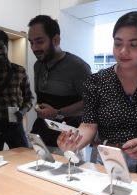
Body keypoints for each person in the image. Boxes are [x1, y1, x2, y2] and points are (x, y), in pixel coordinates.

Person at [57, 11, 137, 177]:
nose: (123, 51)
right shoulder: (98, 81)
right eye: (118, 43)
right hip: (105, 158)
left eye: (134, 44)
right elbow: (89, 125)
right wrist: (74, 143)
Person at [27, 15, 92, 154]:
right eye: (31, 42)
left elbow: (91, 104)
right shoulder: (38, 65)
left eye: (39, 41)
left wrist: (58, 113)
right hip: (40, 134)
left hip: (68, 140)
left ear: (55, 40)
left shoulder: (79, 67)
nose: (34, 48)